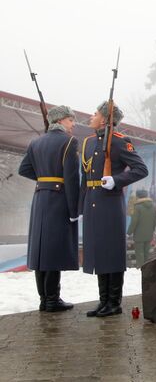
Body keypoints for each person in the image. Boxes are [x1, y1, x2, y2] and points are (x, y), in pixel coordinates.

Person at [80, 102, 148, 317]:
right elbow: (85, 177)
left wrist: (117, 180)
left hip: (109, 202)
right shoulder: (88, 143)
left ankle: (114, 302)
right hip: (92, 201)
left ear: (105, 119)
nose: (91, 115)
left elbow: (141, 169)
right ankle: (103, 301)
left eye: (95, 112)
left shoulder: (119, 142)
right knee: (99, 251)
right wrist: (80, 205)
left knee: (111, 251)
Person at [18, 106, 80, 312]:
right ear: (61, 120)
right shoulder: (70, 142)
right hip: (59, 199)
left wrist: (44, 180)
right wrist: (74, 210)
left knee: (41, 249)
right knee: (53, 249)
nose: (73, 125)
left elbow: (24, 169)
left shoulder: (36, 142)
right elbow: (71, 179)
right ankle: (52, 299)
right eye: (71, 120)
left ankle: (44, 299)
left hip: (40, 198)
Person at [127, 189, 156, 267]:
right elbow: (155, 221)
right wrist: (152, 231)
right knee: (147, 253)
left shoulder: (137, 207)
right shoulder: (153, 206)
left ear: (138, 196)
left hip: (139, 235)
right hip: (149, 234)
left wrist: (128, 233)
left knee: (139, 253)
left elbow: (134, 222)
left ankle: (140, 268)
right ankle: (147, 268)